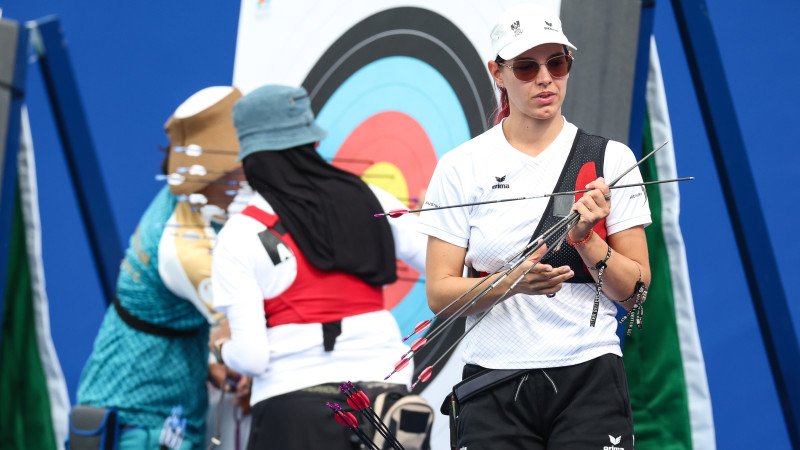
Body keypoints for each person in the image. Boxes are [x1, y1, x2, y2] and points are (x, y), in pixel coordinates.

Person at [417, 4, 652, 449]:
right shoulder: (461, 166)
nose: (545, 78)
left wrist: (586, 243)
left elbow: (637, 290)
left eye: (556, 62)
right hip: (494, 381)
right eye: (526, 67)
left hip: (589, 374)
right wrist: (513, 281)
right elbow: (439, 295)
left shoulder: (612, 159)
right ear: (498, 73)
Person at [210, 84, 427, 450]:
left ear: (251, 159)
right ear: (311, 144)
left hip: (292, 406)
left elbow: (251, 357)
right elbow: (446, 263)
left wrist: (220, 349)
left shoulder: (240, 233)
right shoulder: (371, 199)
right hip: (384, 402)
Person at [76, 86, 250, 449]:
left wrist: (209, 361)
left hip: (145, 415)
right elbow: (245, 345)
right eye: (239, 163)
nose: (247, 174)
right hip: (142, 426)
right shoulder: (187, 248)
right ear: (214, 171)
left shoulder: (186, 198)